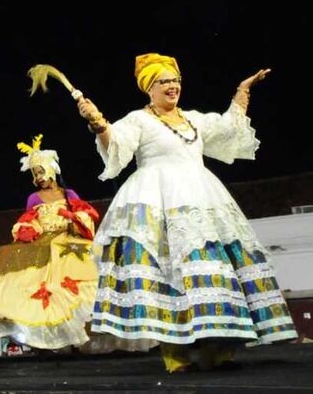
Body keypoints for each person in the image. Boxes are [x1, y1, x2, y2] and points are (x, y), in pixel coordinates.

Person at [76, 54, 297, 372]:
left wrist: (242, 91)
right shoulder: (139, 120)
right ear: (149, 88)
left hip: (202, 199)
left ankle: (217, 345)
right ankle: (175, 353)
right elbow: (116, 148)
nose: (172, 86)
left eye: (175, 80)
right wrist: (98, 124)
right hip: (157, 199)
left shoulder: (194, 119)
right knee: (168, 271)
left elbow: (229, 126)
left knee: (215, 268)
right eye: (163, 81)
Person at [0, 135, 100, 350]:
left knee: (69, 286)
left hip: (68, 244)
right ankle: (44, 340)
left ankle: (76, 336)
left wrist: (71, 218)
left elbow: (84, 215)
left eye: (41, 171)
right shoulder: (34, 198)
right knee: (26, 283)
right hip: (41, 244)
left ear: (52, 169)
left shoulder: (68, 193)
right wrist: (29, 230)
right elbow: (28, 220)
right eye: (35, 174)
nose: (39, 177)